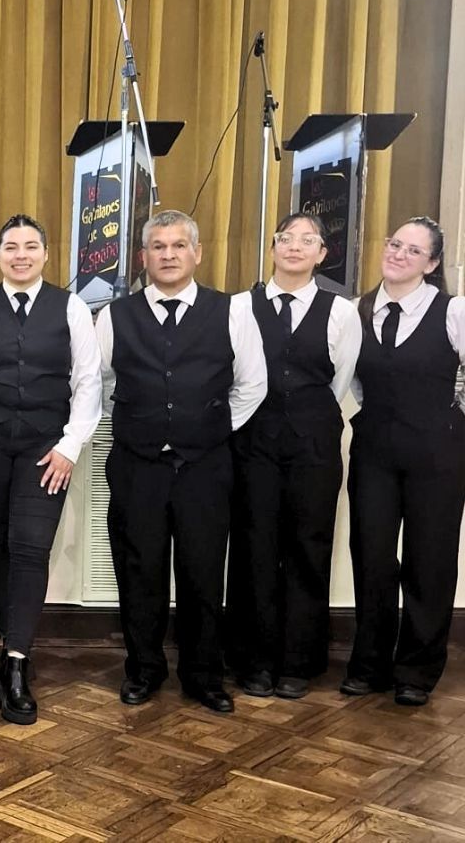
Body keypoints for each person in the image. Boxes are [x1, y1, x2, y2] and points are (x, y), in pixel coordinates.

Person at [96, 209, 266, 715]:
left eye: (177, 246)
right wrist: (144, 422)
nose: (167, 255)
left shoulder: (232, 311)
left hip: (205, 468)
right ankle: (143, 670)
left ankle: (204, 676)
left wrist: (206, 427)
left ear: (197, 253)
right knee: (139, 570)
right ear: (143, 256)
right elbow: (99, 384)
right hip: (136, 465)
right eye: (157, 247)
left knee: (202, 572)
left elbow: (252, 384)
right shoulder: (115, 316)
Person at [0, 214, 101, 725]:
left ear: (46, 255)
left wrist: (71, 446)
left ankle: (14, 665)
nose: (21, 254)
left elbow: (88, 383)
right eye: (11, 246)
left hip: (44, 450)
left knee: (31, 549)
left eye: (32, 245)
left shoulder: (71, 308)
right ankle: (11, 652)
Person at [227, 213, 361, 699]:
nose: (297, 247)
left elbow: (340, 380)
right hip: (254, 443)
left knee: (308, 547)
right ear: (273, 246)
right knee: (254, 547)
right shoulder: (240, 306)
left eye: (309, 240)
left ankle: (298, 662)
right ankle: (253, 660)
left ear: (323, 254)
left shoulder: (341, 312)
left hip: (313, 444)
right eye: (288, 238)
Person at [342, 216, 465, 707]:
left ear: (432, 264)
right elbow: (350, 379)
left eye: (413, 251)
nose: (398, 254)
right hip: (375, 449)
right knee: (371, 557)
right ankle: (369, 663)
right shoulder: (357, 309)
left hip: (438, 453)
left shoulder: (452, 311)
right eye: (394, 244)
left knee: (428, 560)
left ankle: (416, 669)